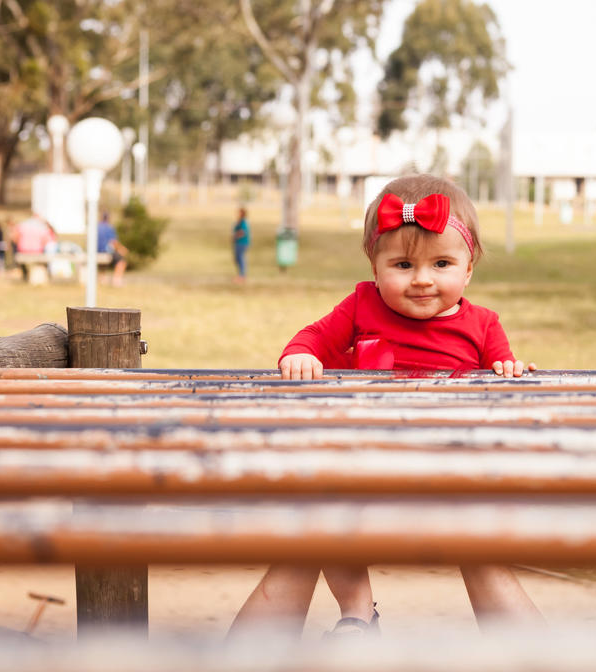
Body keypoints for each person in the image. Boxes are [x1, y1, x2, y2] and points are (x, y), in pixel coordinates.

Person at [229, 174, 542, 643]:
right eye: (402, 264)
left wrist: (510, 370)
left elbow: (504, 372)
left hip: (449, 474)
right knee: (321, 505)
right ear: (374, 266)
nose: (422, 279)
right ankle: (357, 613)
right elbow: (314, 336)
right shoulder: (361, 305)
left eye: (441, 263)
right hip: (365, 467)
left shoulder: (483, 325)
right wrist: (301, 354)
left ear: (469, 268)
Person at [97, 211, 128, 286]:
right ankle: (116, 280)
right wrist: (122, 249)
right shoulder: (109, 228)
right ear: (108, 218)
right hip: (105, 251)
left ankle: (102, 278)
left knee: (102, 263)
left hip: (96, 251)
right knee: (121, 261)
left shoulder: (96, 227)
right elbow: (113, 242)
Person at [232, 207, 250, 282]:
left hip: (242, 243)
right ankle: (240, 274)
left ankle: (242, 275)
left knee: (240, 259)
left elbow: (243, 232)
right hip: (238, 243)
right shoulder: (239, 221)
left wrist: (236, 236)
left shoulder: (243, 222)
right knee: (237, 259)